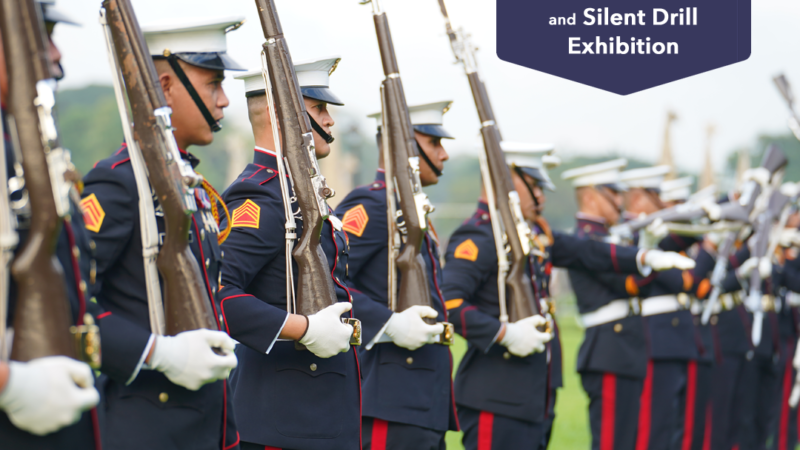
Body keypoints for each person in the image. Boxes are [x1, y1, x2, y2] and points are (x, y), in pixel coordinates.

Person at [442, 153, 694, 450]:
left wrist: (643, 256)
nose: (540, 196)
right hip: (495, 392)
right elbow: (449, 301)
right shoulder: (480, 235)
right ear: (504, 180)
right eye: (533, 186)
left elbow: (588, 251)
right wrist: (503, 334)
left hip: (534, 391)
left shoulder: (533, 233)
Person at [81, 17, 243, 450]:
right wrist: (154, 352)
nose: (225, 101)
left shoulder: (187, 185)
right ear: (167, 87)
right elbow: (67, 301)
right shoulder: (121, 184)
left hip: (209, 425)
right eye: (214, 83)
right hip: (147, 429)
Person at [219, 58, 360, 450]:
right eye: (319, 109)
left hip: (321, 416)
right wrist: (304, 329)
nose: (330, 121)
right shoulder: (260, 196)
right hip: (283, 425)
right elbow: (220, 294)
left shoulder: (302, 195)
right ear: (286, 115)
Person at [335, 101, 457, 449]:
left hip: (422, 399)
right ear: (404, 145)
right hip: (389, 398)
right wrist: (388, 323)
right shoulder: (371, 207)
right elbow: (329, 282)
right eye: (434, 142)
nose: (444, 154)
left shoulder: (412, 211)